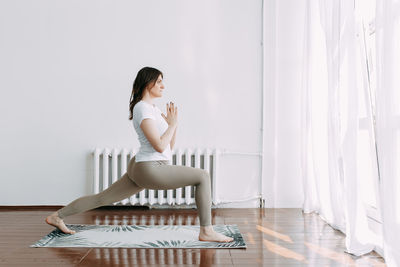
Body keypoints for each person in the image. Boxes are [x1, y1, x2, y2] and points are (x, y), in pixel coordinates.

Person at [45, 66, 234, 242]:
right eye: (159, 81)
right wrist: (173, 125)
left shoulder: (153, 109)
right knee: (202, 176)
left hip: (143, 165)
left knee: (103, 198)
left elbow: (168, 148)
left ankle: (57, 216)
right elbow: (159, 146)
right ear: (147, 83)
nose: (163, 85)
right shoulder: (142, 108)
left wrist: (172, 125)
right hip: (150, 168)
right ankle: (206, 231)